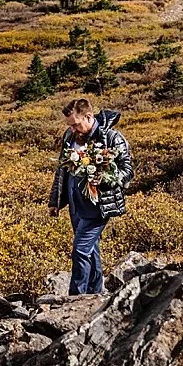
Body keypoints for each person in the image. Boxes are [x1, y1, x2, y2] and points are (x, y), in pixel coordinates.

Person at [47, 97, 134, 295]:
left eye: (76, 124)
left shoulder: (111, 137)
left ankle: (76, 296)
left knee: (80, 249)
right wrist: (55, 201)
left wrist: (106, 179)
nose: (72, 129)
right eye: (69, 125)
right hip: (75, 205)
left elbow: (128, 170)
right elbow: (61, 171)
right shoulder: (69, 136)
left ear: (88, 116)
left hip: (98, 206)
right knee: (91, 249)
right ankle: (94, 293)